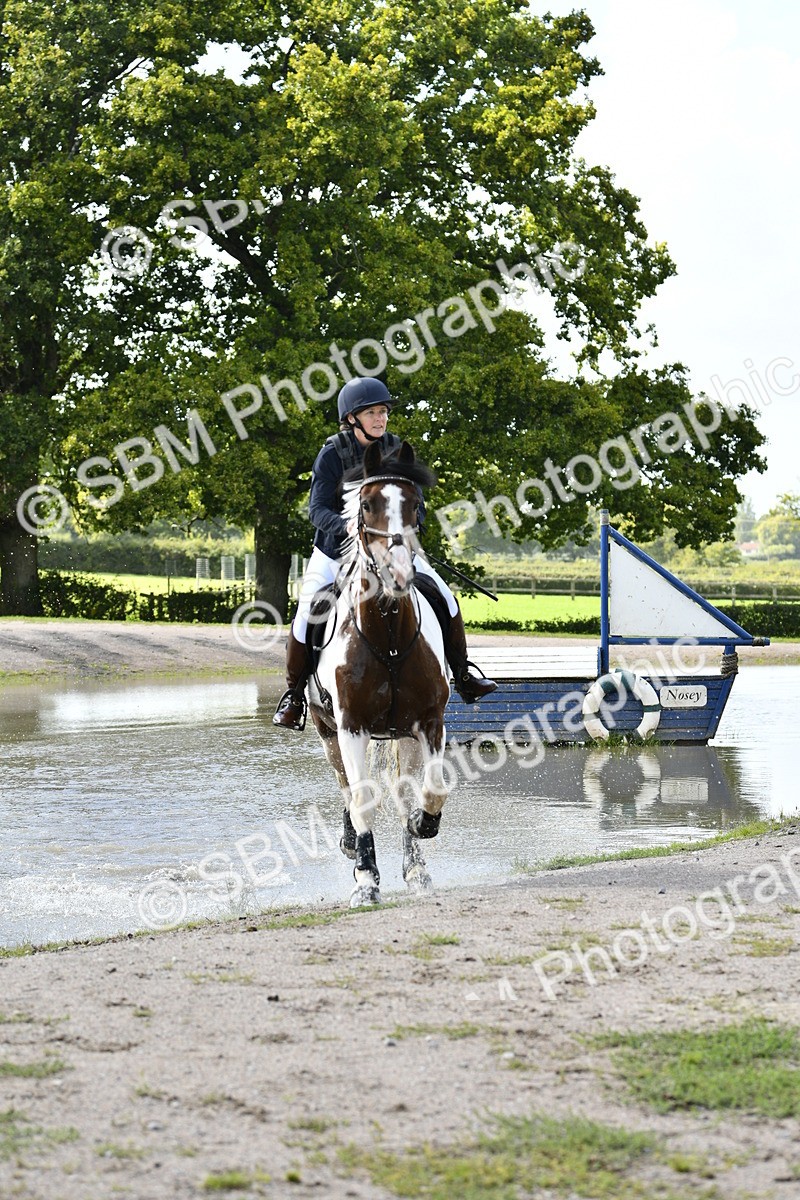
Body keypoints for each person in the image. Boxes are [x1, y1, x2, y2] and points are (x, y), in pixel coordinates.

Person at [272, 377, 497, 729]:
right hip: (335, 550)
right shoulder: (331, 454)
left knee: (446, 597)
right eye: (372, 413)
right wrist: (346, 525)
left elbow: (417, 503)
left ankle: (464, 673)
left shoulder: (395, 449)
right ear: (351, 418)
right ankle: (295, 694)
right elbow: (316, 510)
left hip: (393, 547)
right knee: (306, 612)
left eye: (384, 412)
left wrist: (409, 528)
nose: (381, 419)